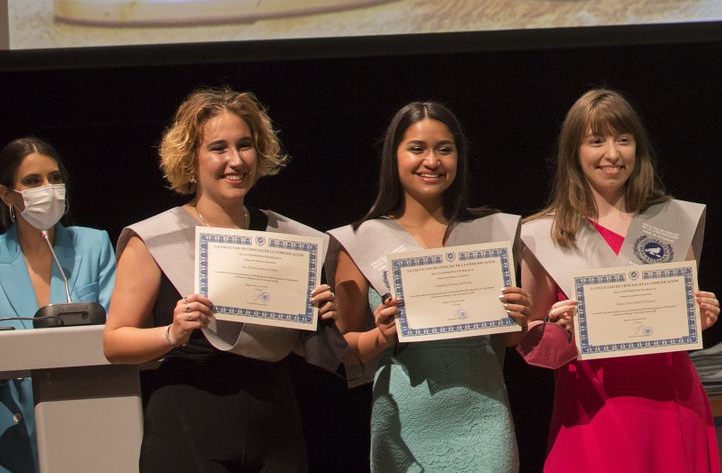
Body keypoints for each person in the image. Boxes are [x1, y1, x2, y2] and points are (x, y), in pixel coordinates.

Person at [102, 88, 346, 473]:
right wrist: (172, 332)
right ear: (190, 159)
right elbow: (114, 342)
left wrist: (320, 320)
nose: (236, 160)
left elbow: (308, 352)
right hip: (187, 426)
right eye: (219, 147)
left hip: (276, 423)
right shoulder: (155, 239)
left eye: (245, 145)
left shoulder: (292, 240)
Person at [518, 88, 721, 472]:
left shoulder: (672, 219)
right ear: (574, 152)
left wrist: (700, 316)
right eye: (596, 141)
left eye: (623, 140)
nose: (612, 154)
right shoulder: (545, 232)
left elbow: (680, 320)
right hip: (592, 409)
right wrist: (559, 331)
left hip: (671, 403)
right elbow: (528, 342)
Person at [330, 101, 530, 473]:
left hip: (484, 416)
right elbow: (343, 347)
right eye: (417, 148)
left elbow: (509, 341)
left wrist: (518, 320)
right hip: (404, 423)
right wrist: (382, 335)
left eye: (444, 149)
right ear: (394, 156)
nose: (432, 161)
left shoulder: (492, 233)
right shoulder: (357, 241)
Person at [0, 138, 117, 473]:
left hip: (89, 417)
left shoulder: (94, 245)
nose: (48, 189)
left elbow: (116, 329)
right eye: (33, 181)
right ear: (7, 195)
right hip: (13, 436)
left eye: (54, 178)